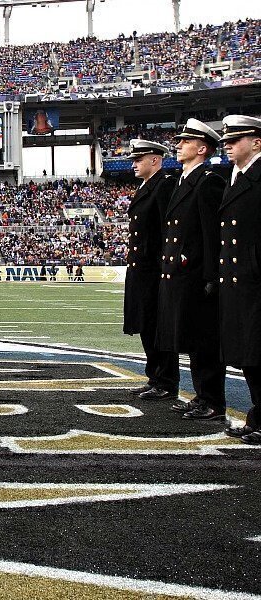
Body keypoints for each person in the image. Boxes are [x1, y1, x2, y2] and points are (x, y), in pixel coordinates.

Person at [156, 119, 226, 419]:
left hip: (196, 275)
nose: (178, 145)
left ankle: (211, 400)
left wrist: (211, 275)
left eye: (185, 142)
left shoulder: (208, 180)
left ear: (201, 148)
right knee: (193, 340)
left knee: (204, 340)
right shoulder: (184, 179)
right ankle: (201, 396)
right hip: (181, 273)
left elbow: (211, 234)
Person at [122, 139, 180, 404]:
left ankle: (165, 380)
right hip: (142, 268)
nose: (133, 164)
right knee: (146, 324)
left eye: (139, 159)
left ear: (155, 159)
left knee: (156, 326)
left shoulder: (164, 184)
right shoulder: (147, 185)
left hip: (154, 269)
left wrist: (163, 266)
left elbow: (166, 229)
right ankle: (155, 377)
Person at [216, 115, 261, 440]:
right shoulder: (237, 177)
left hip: (255, 280)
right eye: (227, 141)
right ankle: (256, 417)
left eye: (236, 140)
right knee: (249, 354)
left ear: (256, 142)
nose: (228, 145)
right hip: (240, 281)